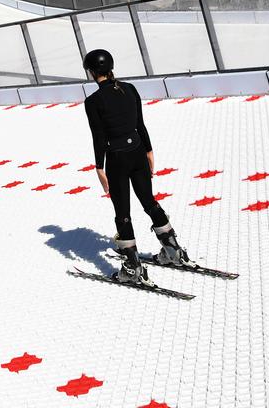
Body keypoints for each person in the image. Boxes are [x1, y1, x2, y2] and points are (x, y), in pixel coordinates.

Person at [81, 49, 191, 286]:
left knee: (123, 213)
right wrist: (149, 150)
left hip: (117, 158)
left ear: (91, 72)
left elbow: (98, 137)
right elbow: (140, 123)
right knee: (149, 201)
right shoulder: (129, 89)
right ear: (110, 67)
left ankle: (132, 268)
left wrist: (99, 166)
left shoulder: (93, 102)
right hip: (139, 151)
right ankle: (173, 251)